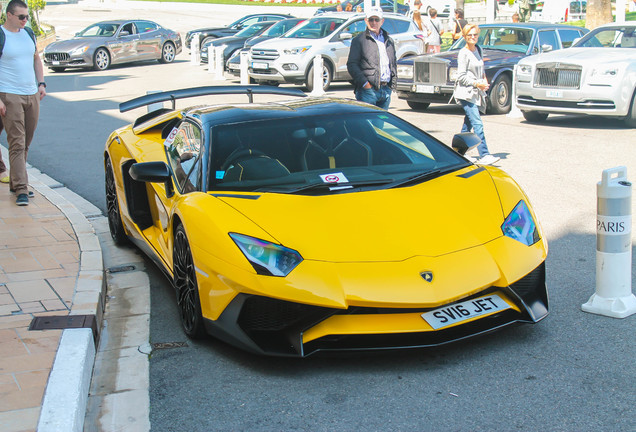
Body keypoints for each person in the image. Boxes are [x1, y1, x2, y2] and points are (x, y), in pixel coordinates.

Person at [0, 0, 46, 206]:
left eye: (27, 16)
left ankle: (18, 181)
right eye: (21, 17)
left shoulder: (28, 33)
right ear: (8, 15)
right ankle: (21, 188)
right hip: (9, 95)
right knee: (16, 142)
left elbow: (36, 58)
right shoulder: (1, 35)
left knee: (26, 141)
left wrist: (41, 83)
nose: (25, 20)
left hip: (31, 94)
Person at [453, 24, 499, 165]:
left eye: (475, 35)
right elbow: (460, 76)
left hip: (476, 93)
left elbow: (481, 69)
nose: (473, 37)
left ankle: (458, 153)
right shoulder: (463, 53)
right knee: (477, 123)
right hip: (466, 93)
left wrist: (484, 80)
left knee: (468, 126)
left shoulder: (478, 49)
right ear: (465, 37)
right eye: (469, 35)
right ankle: (484, 154)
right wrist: (476, 83)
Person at [347, 7, 397, 110]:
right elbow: (352, 65)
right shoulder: (359, 40)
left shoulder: (389, 40)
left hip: (386, 90)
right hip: (368, 91)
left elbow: (392, 62)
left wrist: (392, 84)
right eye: (371, 19)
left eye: (376, 19)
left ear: (382, 21)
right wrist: (365, 84)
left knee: (379, 126)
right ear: (366, 20)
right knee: (365, 125)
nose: (374, 22)